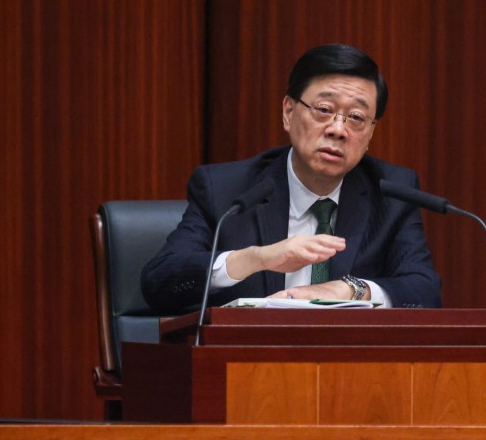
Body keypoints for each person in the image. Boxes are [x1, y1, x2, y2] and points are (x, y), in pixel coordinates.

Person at [141, 44, 442, 314]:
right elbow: (160, 282)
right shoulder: (227, 189)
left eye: (356, 118)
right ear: (288, 112)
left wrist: (350, 289)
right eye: (324, 110)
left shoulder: (393, 193)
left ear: (371, 133)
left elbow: (425, 291)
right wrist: (255, 259)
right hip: (247, 366)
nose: (338, 129)